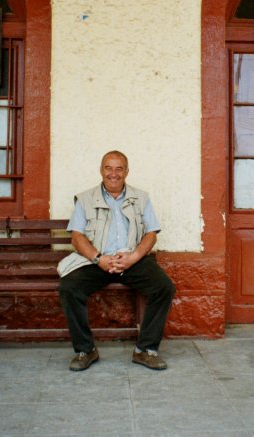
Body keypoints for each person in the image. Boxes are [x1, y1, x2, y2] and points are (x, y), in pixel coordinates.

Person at [58, 150, 175, 371]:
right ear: (101, 171)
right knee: (69, 288)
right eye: (108, 168)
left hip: (131, 258)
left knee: (163, 288)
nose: (114, 174)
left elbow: (151, 233)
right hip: (97, 260)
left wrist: (133, 257)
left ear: (127, 172)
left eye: (119, 168)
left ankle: (145, 350)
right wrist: (98, 259)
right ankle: (86, 350)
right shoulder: (85, 199)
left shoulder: (141, 198)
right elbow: (77, 236)